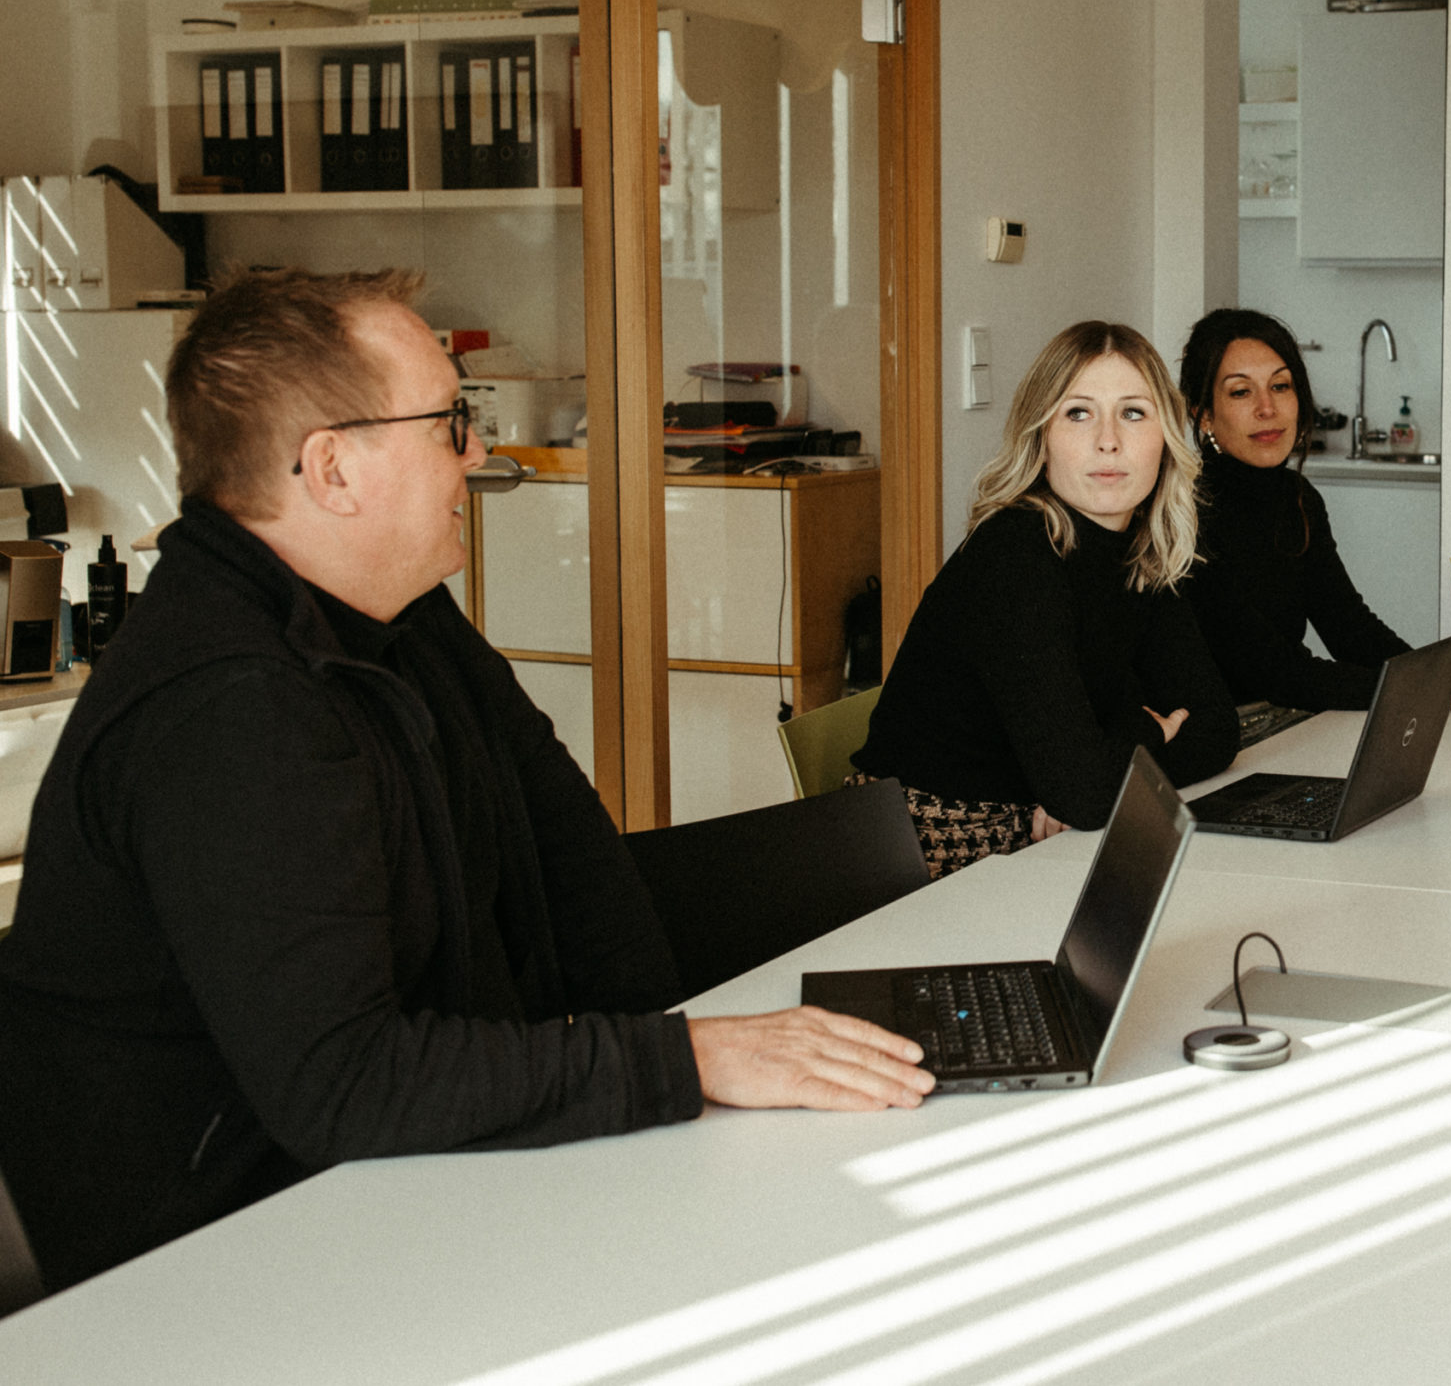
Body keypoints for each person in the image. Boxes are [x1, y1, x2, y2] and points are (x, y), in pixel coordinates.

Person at [0, 270, 932, 1293]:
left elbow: (572, 859)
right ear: (333, 470)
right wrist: (689, 1063)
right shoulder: (228, 709)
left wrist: (690, 1106)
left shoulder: (398, 614)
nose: (478, 452)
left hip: (396, 1186)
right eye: (450, 421)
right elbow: (344, 1086)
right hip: (221, 1268)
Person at [854, 320, 1240, 876]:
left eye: (1133, 412)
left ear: (1166, 437)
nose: (1108, 439)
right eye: (1078, 413)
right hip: (923, 852)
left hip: (1040, 839)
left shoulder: (1141, 551)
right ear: (1041, 435)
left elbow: (1218, 729)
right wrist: (1148, 732)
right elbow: (1083, 793)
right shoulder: (1014, 553)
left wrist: (1104, 774)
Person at [1175, 308, 1451, 714]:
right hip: (1218, 747)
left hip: (1277, 724)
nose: (1267, 407)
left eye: (1281, 386)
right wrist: (1434, 689)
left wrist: (1450, 671)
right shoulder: (1186, 514)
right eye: (1240, 391)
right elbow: (1274, 674)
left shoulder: (1298, 498)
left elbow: (1350, 629)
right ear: (1203, 413)